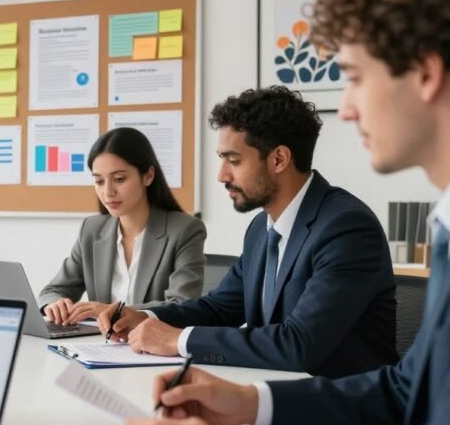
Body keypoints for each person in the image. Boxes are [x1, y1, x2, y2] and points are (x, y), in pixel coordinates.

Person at [124, 0, 450, 425]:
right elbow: (408, 388)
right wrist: (252, 403)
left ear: (427, 73)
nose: (348, 107)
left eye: (356, 76)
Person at [99, 86, 395, 377]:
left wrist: (177, 340)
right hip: (274, 394)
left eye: (234, 160)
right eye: (222, 159)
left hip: (342, 412)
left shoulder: (346, 228)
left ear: (279, 159)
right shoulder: (261, 228)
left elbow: (299, 345)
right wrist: (145, 317)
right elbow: (219, 309)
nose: (221, 175)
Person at [39, 127, 206, 324]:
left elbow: (182, 304)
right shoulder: (92, 230)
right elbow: (53, 291)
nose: (108, 192)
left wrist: (114, 311)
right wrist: (54, 304)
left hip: (154, 348)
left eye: (119, 179)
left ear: (148, 176)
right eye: (99, 181)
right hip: (98, 346)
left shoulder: (185, 230)